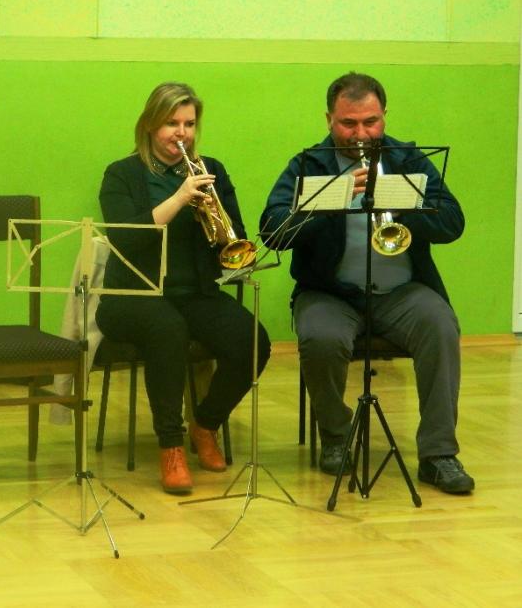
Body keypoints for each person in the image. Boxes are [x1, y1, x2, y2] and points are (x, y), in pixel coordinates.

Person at [260, 72, 474, 494]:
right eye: (348, 123)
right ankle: (337, 438)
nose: (361, 134)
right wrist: (330, 199)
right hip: (330, 293)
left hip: (402, 292)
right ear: (329, 119)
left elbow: (453, 223)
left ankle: (438, 454)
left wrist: (403, 203)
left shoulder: (408, 159)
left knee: (441, 326)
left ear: (384, 116)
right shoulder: (309, 163)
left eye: (371, 122)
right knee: (320, 339)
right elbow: (272, 230)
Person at [96, 82, 271, 494]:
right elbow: (126, 238)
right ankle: (170, 446)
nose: (182, 133)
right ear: (149, 125)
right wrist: (179, 199)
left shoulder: (211, 170)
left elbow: (234, 235)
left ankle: (205, 425)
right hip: (134, 295)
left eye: (189, 124)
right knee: (167, 329)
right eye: (171, 123)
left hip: (194, 293)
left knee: (252, 341)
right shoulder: (121, 174)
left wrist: (218, 225)